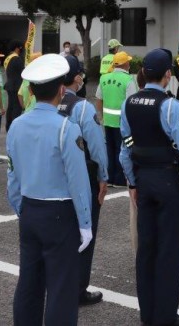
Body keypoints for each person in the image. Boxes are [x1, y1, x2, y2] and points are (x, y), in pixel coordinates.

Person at [121, 48, 179, 326]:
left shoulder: (130, 103)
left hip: (144, 181)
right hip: (169, 182)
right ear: (168, 75)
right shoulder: (171, 106)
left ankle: (148, 314)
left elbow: (125, 148)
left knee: (146, 250)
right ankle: (165, 316)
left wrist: (132, 183)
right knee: (169, 251)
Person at [6, 54, 93, 326]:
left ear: (30, 91)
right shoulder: (67, 128)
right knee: (62, 287)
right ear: (61, 90)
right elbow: (79, 183)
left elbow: (13, 177)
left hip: (30, 209)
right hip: (60, 212)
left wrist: (22, 208)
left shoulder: (16, 125)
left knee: (29, 283)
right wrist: (86, 223)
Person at [60, 54, 109, 309]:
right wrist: (103, 176)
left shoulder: (43, 103)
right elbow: (97, 146)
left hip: (54, 176)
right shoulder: (82, 107)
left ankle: (59, 284)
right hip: (83, 174)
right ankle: (78, 288)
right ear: (77, 78)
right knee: (84, 231)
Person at [95, 51, 138, 186]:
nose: (130, 64)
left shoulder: (104, 78)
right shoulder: (128, 80)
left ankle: (109, 177)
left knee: (110, 149)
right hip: (122, 122)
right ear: (125, 64)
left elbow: (99, 99)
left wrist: (101, 116)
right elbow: (132, 102)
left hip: (107, 121)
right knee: (122, 149)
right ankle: (120, 179)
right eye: (128, 62)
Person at [4, 40, 25, 132]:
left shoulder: (8, 58)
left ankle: (8, 125)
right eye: (20, 48)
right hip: (17, 86)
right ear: (17, 48)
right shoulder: (17, 59)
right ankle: (14, 126)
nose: (21, 50)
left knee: (10, 106)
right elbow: (22, 72)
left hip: (9, 84)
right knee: (17, 107)